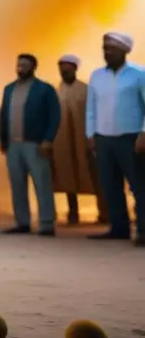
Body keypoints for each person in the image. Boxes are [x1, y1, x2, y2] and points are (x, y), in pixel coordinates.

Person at [85, 32, 145, 245]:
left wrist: (143, 134)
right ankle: (119, 228)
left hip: (131, 138)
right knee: (110, 186)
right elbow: (91, 108)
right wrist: (90, 134)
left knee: (139, 186)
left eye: (111, 49)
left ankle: (143, 231)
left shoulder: (139, 74)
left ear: (124, 51)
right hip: (103, 138)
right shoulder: (96, 75)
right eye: (105, 49)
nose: (107, 52)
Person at [0, 53, 61, 236]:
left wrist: (48, 140)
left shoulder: (44, 89)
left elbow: (55, 117)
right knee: (17, 184)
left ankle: (47, 223)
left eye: (24, 65)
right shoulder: (9, 89)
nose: (20, 68)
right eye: (18, 65)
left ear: (33, 67)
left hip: (36, 144)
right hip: (13, 145)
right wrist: (3, 141)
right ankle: (22, 222)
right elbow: (4, 116)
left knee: (42, 183)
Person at [54, 54, 107, 225]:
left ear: (75, 69)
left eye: (68, 68)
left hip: (86, 140)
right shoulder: (57, 91)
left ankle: (104, 213)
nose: (65, 72)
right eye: (62, 69)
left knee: (96, 177)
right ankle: (73, 213)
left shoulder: (87, 90)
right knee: (68, 175)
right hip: (63, 141)